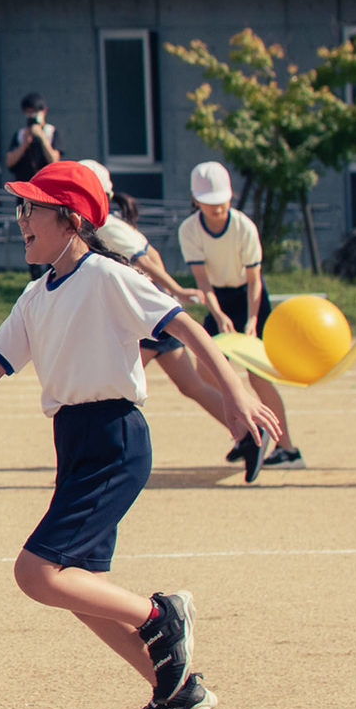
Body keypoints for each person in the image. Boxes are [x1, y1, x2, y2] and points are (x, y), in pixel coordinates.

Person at [0, 161, 283, 709]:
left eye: (32, 208)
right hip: (74, 440)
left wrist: (237, 395)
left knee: (36, 573)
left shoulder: (105, 276)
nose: (20, 219)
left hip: (115, 437)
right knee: (79, 589)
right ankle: (177, 687)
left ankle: (160, 615)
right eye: (19, 207)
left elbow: (185, 327)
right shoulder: (36, 295)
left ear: (70, 220)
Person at [79, 161, 265, 481]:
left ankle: (97, 455)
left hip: (147, 317)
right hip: (150, 315)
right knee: (190, 385)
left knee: (111, 382)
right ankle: (251, 432)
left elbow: (145, 260)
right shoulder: (103, 225)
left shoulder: (106, 225)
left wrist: (174, 290)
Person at [177, 161, 304, 471]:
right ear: (196, 201)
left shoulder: (244, 226)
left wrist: (251, 321)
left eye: (222, 201)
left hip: (250, 300)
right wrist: (218, 314)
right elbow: (203, 282)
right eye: (209, 203)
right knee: (206, 371)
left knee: (257, 375)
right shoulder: (189, 230)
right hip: (217, 300)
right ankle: (248, 429)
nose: (217, 208)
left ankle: (288, 450)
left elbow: (254, 280)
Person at [5, 93, 62, 280]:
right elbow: (9, 162)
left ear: (43, 112)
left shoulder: (51, 133)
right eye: (28, 113)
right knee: (29, 233)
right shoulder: (20, 135)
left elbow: (55, 159)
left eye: (35, 113)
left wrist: (41, 138)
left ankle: (51, 273)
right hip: (25, 193)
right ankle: (34, 277)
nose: (32, 117)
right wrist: (25, 143)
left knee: (49, 232)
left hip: (48, 195)